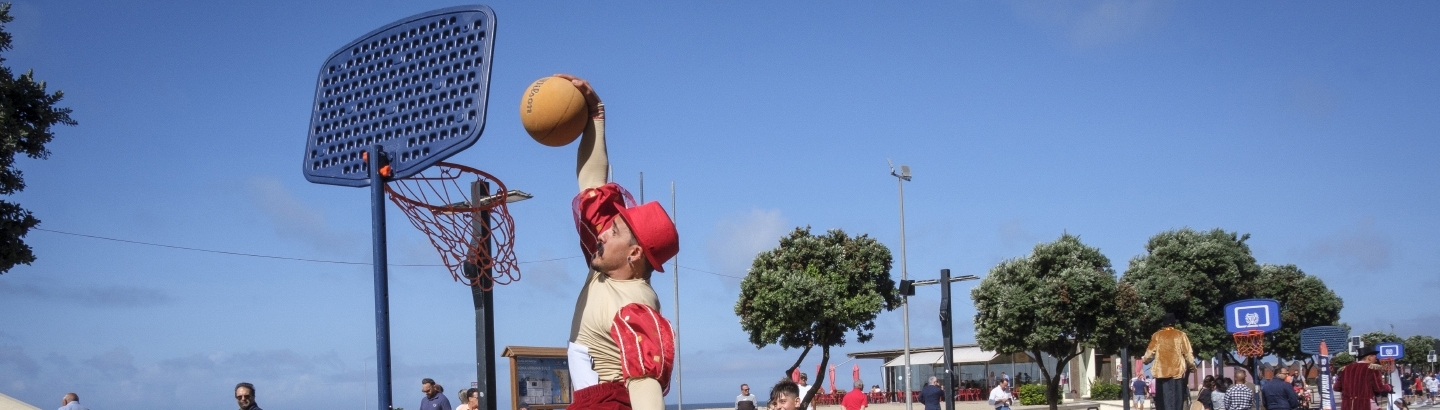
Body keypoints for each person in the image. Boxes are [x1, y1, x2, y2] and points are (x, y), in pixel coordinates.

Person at [559, 75, 680, 410]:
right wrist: (595, 116)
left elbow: (645, 383)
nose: (601, 233)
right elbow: (592, 185)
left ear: (635, 252)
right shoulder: (610, 269)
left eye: (613, 232)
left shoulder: (633, 303)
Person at [1143, 314, 1196, 410]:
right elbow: (1188, 354)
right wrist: (1192, 367)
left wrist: (1145, 360)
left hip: (1161, 373)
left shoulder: (1157, 335)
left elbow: (1149, 352)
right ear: (1174, 323)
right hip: (1176, 374)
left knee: (1162, 402)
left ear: (1164, 324)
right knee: (1176, 402)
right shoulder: (1181, 335)